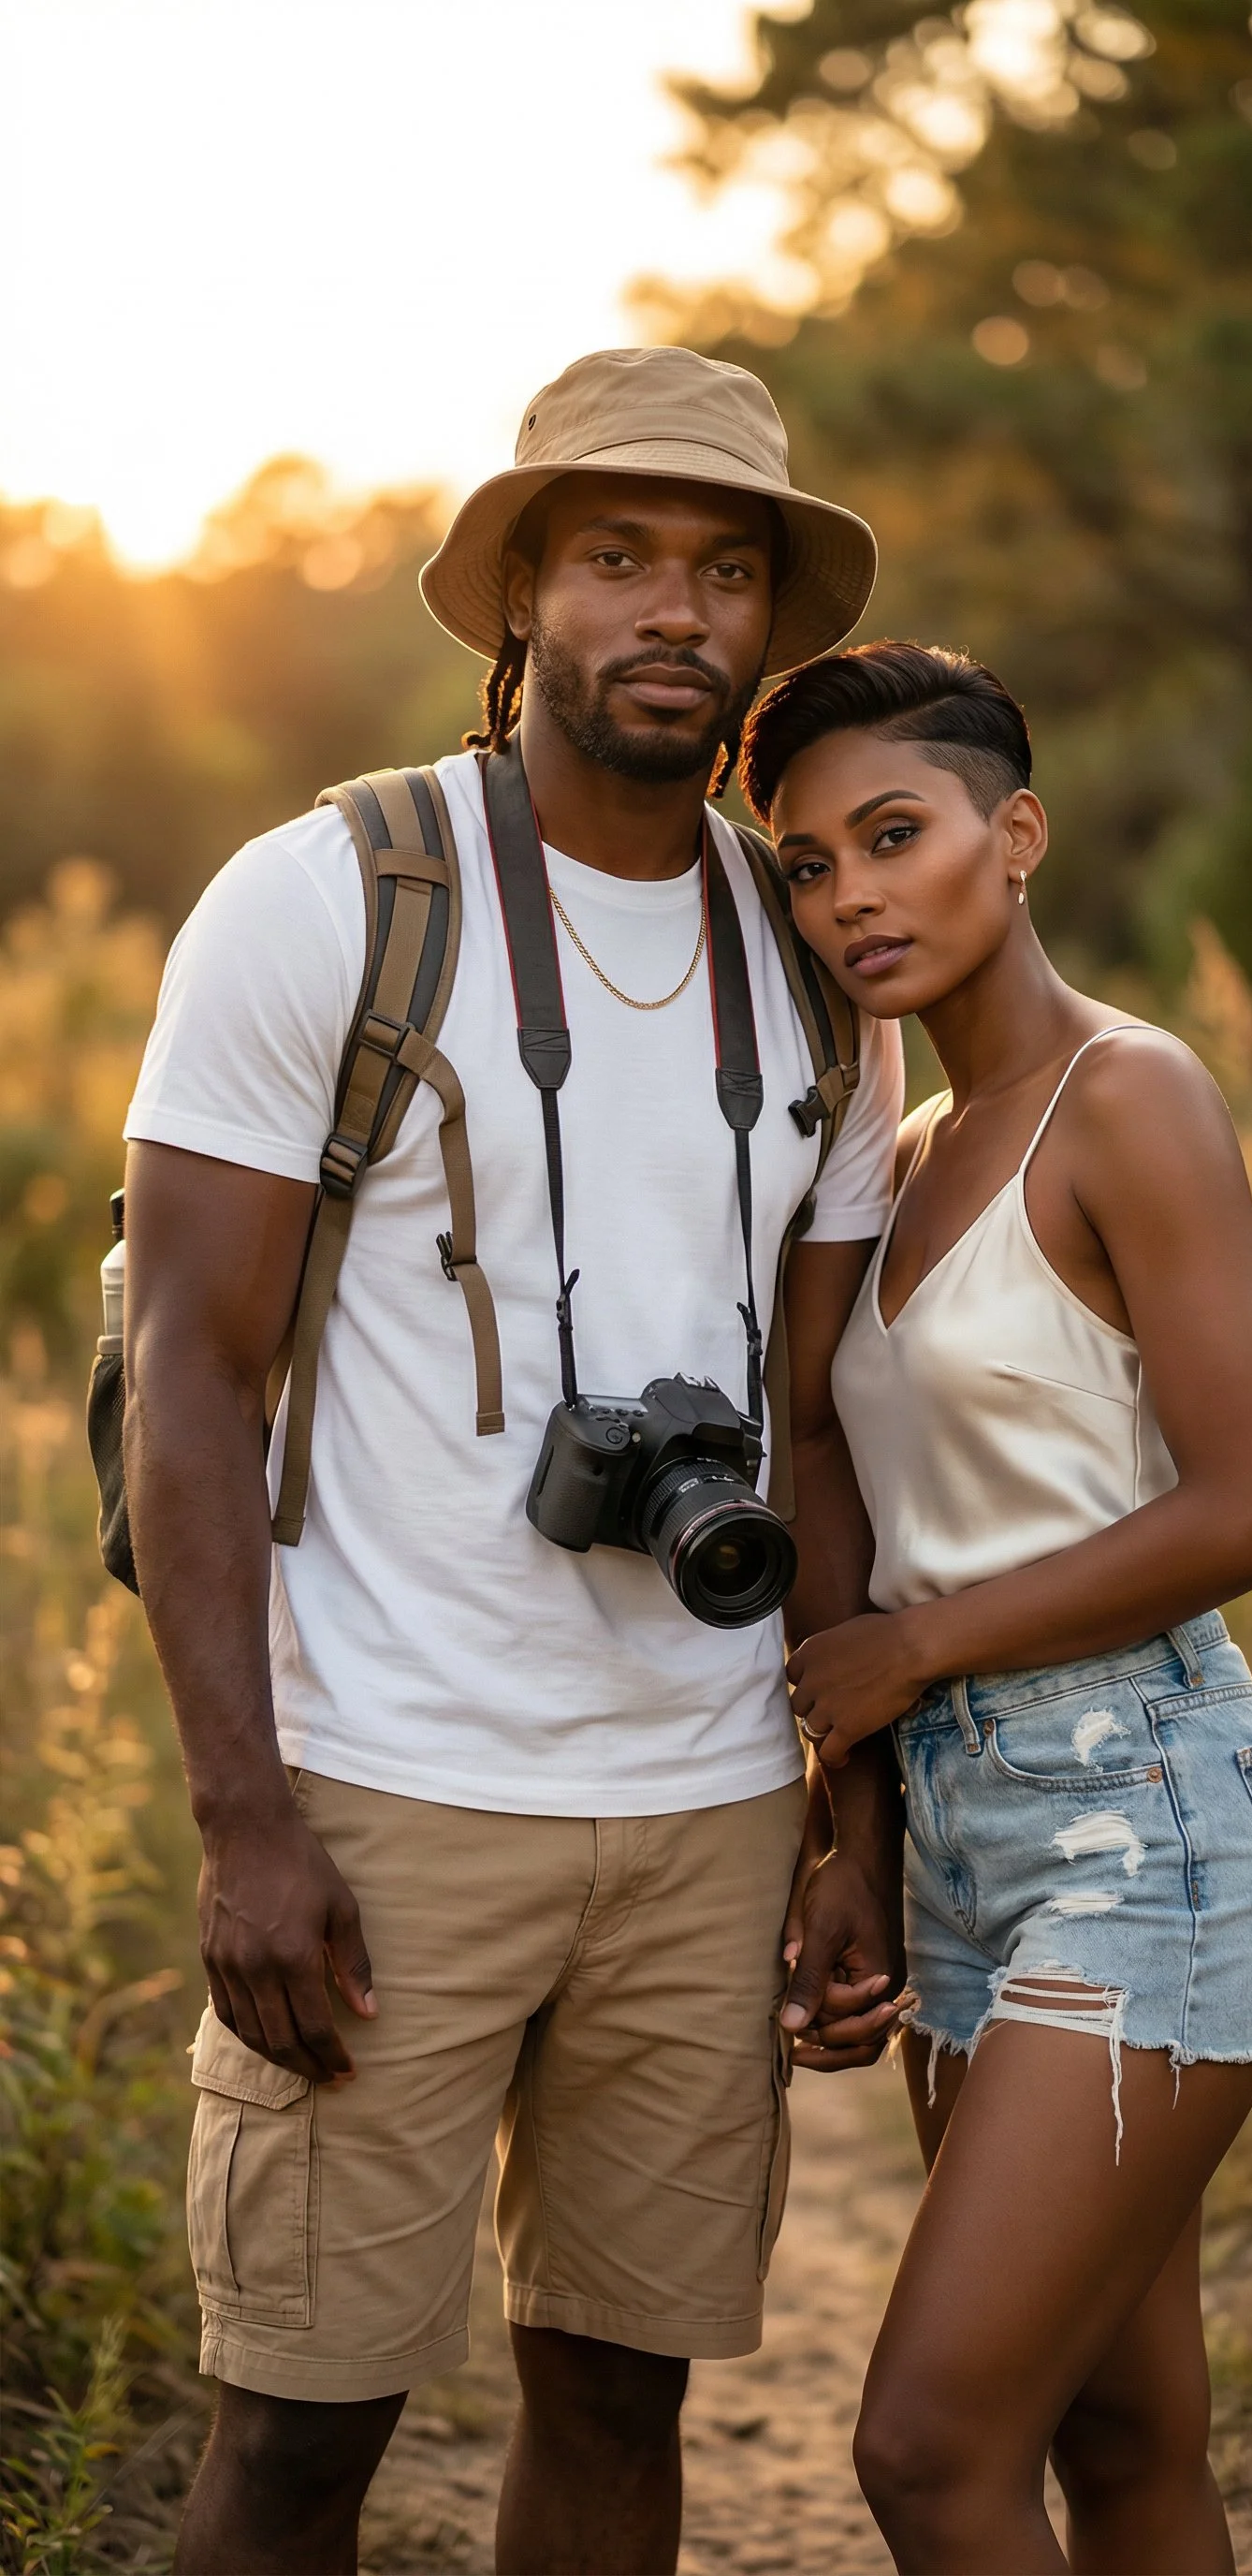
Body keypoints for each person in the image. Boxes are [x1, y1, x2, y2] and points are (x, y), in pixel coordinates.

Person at [121, 346, 907, 2576]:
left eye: (726, 569)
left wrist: (857, 1820)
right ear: (521, 601)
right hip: (383, 1787)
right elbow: (191, 1363)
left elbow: (825, 1418)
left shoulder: (821, 951)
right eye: (620, 556)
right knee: (292, 2440)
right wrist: (242, 1811)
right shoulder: (330, 896)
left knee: (621, 2404)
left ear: (769, 625)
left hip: (709, 1795)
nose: (675, 610)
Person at [742, 641, 1252, 2576]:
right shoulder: (890, 1164)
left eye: (894, 836)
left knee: (928, 2444)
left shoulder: (1130, 1094)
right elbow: (854, 1510)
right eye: (810, 863)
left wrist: (911, 1652)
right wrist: (860, 1833)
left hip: (1155, 1814)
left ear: (1018, 836)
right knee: (1123, 2425)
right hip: (969, 1844)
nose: (852, 897)